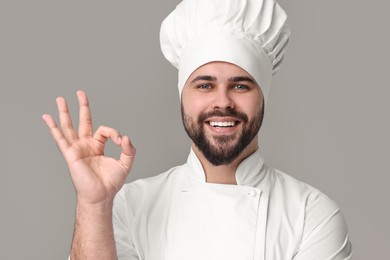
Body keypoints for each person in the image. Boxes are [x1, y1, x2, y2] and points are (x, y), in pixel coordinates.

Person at [42, 0, 352, 259]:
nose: (222, 102)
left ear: (263, 97)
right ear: (182, 96)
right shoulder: (130, 206)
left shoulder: (311, 215)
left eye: (240, 85)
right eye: (204, 85)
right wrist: (94, 204)